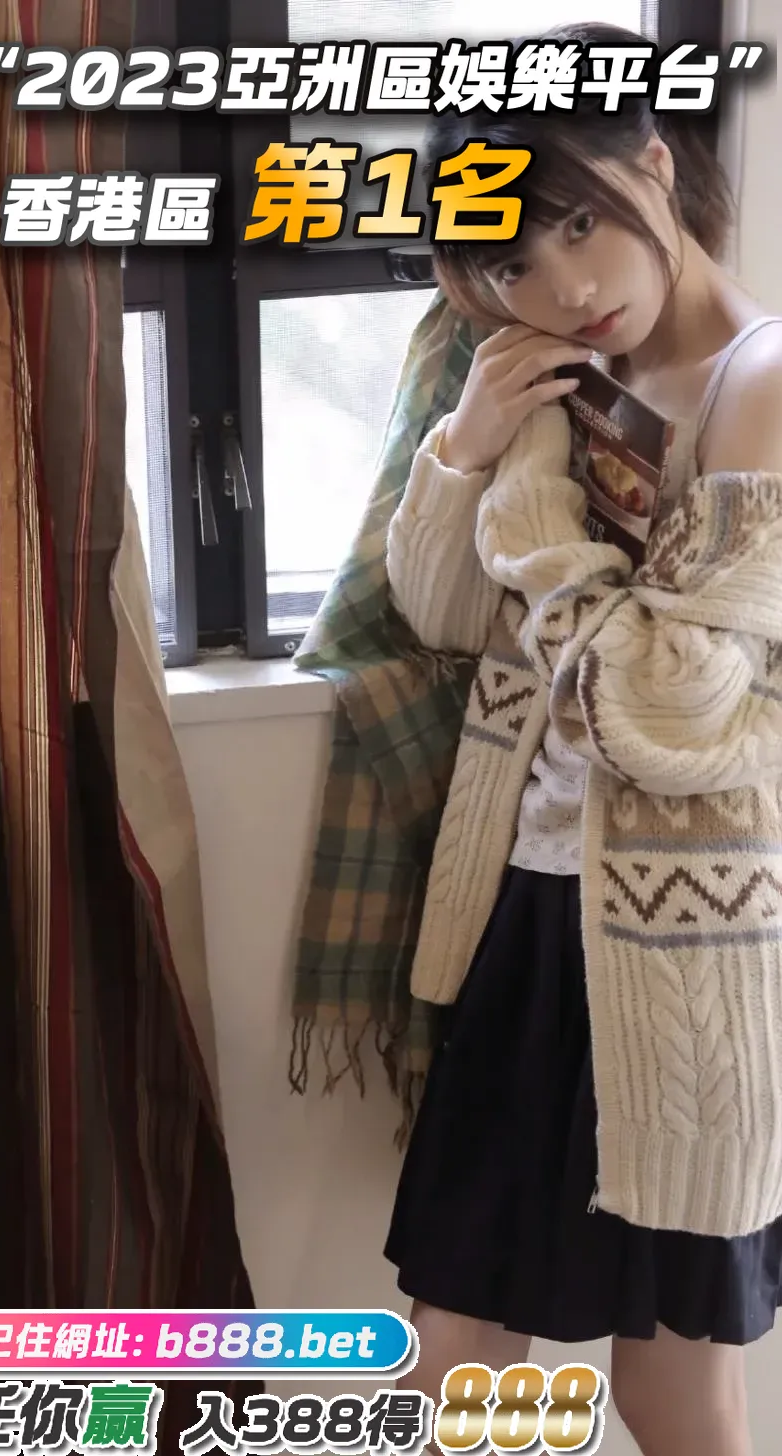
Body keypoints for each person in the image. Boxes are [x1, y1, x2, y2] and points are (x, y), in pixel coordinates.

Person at [381, 21, 782, 1456]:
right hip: (533, 916)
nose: (561, 287)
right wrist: (470, 441)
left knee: (665, 1382)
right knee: (458, 1358)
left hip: (692, 952)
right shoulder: (538, 374)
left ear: (653, 163)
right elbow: (440, 611)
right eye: (511, 263)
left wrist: (538, 517)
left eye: (574, 224)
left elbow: (671, 710)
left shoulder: (763, 380)